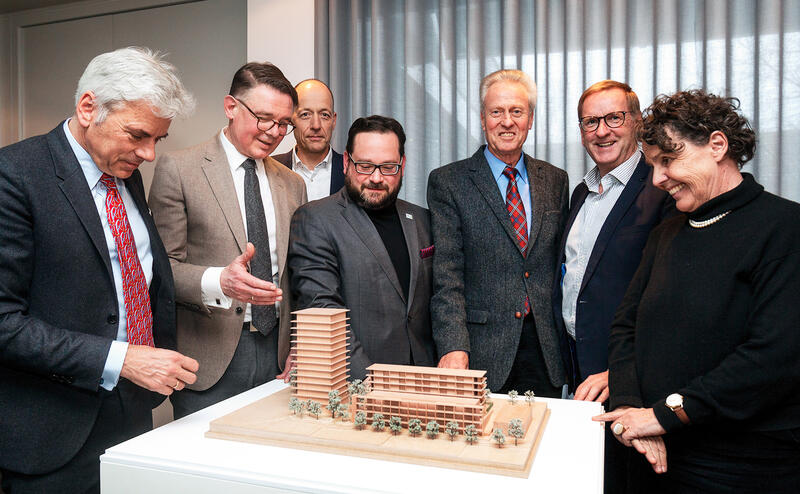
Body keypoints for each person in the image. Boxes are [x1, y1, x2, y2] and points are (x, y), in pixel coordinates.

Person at [0, 46, 199, 493]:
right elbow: (4, 322)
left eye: (158, 139)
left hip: (131, 409)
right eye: (138, 135)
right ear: (88, 108)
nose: (149, 154)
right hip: (52, 431)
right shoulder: (14, 175)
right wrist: (120, 358)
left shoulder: (126, 171)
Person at [595, 89, 800, 493]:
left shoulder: (785, 228)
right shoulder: (666, 232)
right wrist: (630, 411)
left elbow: (774, 358)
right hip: (650, 451)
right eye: (654, 165)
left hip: (742, 466)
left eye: (668, 160)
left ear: (717, 145)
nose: (658, 178)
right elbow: (625, 326)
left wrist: (665, 415)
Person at [149, 62, 307, 419]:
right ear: (231, 107)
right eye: (264, 118)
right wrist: (218, 281)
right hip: (209, 356)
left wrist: (301, 344)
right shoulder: (179, 169)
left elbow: (297, 276)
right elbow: (161, 269)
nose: (274, 132)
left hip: (278, 356)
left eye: (284, 123)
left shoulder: (293, 184)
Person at [553, 81, 675, 492]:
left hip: (627, 376)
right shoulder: (581, 192)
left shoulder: (663, 189)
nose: (601, 131)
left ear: (637, 122)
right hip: (577, 366)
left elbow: (669, 300)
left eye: (613, 118)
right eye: (590, 121)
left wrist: (619, 370)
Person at [427, 69, 569, 396]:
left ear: (530, 119)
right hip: (480, 350)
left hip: (545, 351)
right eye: (496, 112)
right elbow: (447, 274)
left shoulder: (555, 180)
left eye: (517, 111)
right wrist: (453, 345)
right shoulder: (449, 182)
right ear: (482, 118)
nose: (507, 122)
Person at [288, 115, 436, 380]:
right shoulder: (315, 219)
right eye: (365, 166)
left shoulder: (422, 219)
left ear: (402, 165)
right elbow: (323, 313)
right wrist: (371, 384)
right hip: (357, 383)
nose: (376, 178)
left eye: (388, 167)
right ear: (346, 162)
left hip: (424, 379)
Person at [273, 79, 344, 200]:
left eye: (324, 115)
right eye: (305, 114)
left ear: (333, 121)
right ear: (290, 119)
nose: (316, 125)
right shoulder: (268, 170)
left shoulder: (352, 172)